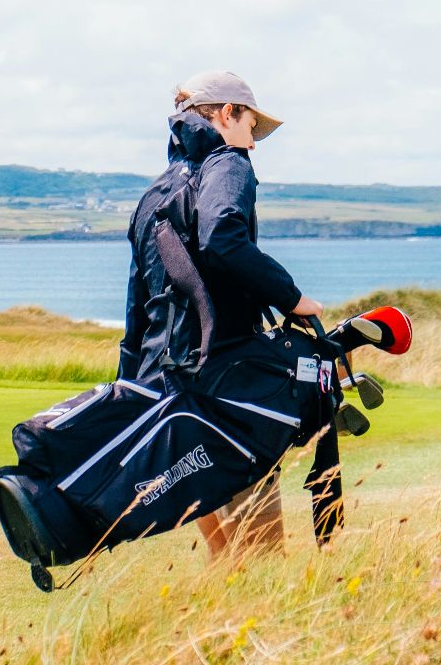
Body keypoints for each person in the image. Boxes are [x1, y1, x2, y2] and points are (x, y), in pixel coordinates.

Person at [116, 69, 324, 560]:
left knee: (224, 552)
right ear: (228, 114)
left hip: (165, 386)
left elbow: (138, 303)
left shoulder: (155, 193)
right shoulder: (229, 165)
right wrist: (293, 298)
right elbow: (222, 238)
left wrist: (131, 387)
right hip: (222, 381)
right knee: (260, 555)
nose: (254, 142)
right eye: (252, 125)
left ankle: (214, 630)